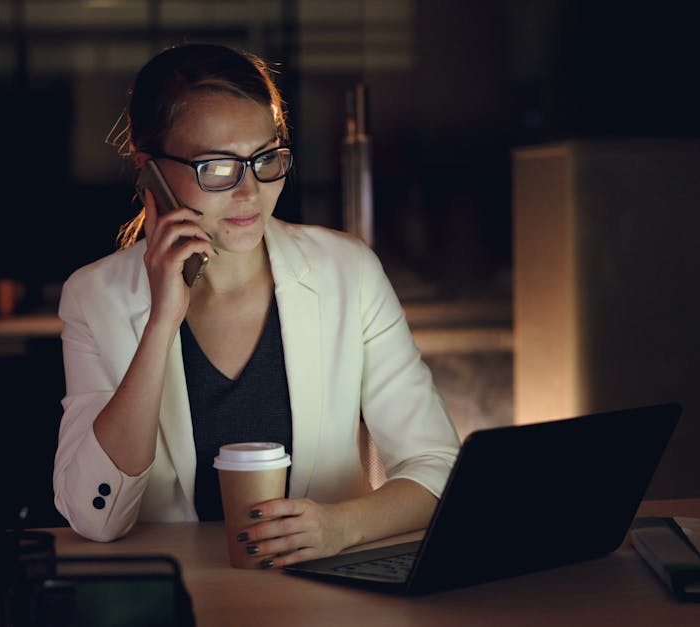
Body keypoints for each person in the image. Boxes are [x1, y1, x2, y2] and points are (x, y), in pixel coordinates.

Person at [53, 43, 459, 568]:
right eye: (217, 168)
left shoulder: (347, 272)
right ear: (150, 172)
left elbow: (438, 466)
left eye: (266, 159)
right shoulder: (94, 297)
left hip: (324, 599)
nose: (249, 193)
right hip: (177, 597)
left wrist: (342, 527)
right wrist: (161, 323)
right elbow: (96, 518)